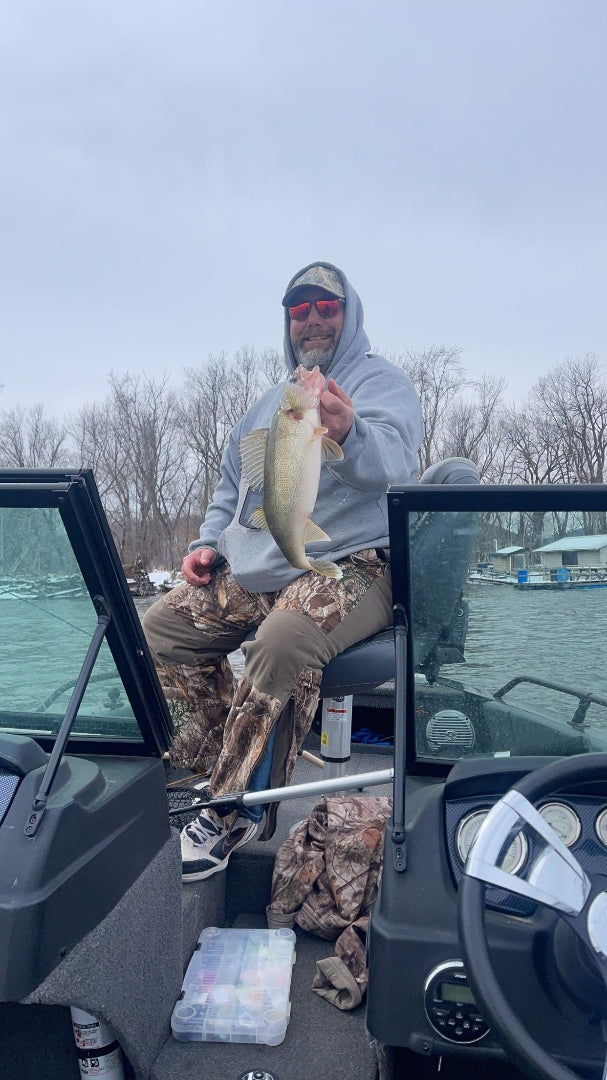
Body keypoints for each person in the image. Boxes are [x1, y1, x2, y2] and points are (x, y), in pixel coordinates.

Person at [142, 261, 424, 882]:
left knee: (282, 642)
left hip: (353, 562)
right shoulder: (271, 403)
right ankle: (210, 766)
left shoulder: (382, 384)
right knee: (158, 630)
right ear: (287, 323)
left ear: (349, 314)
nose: (313, 319)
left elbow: (398, 465)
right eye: (300, 310)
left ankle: (234, 808)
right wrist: (208, 544)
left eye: (327, 307)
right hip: (263, 559)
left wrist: (349, 431)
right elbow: (232, 485)